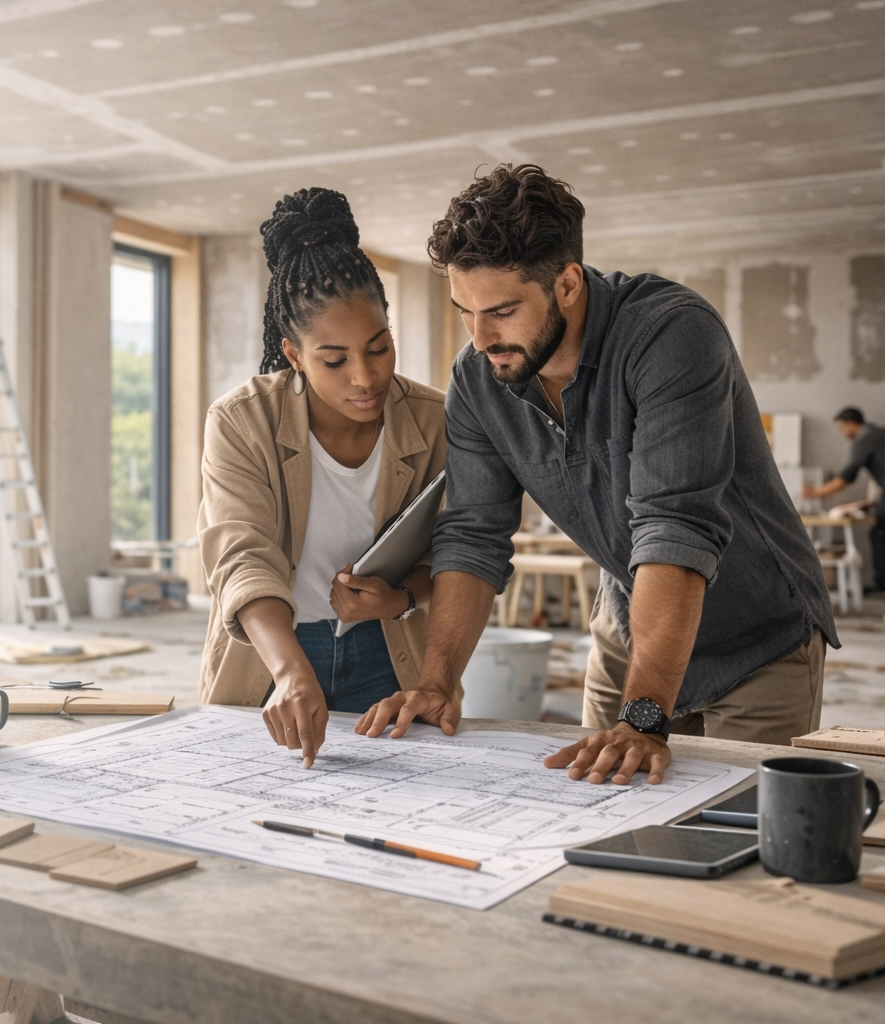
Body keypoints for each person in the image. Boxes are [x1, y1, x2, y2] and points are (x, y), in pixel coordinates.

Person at [356, 164, 838, 786]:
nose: (480, 339)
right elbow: (473, 534)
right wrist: (435, 683)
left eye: (501, 311)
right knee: (600, 810)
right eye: (465, 312)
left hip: (755, 641)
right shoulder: (478, 380)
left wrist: (642, 718)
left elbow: (674, 528)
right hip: (628, 631)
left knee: (738, 827)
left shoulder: (671, 335)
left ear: (567, 283)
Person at [198, 187, 447, 768]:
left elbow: (460, 549)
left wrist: (401, 597)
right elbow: (239, 556)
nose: (365, 377)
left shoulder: (435, 421)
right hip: (270, 651)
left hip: (390, 648)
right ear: (293, 354)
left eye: (379, 349)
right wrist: (290, 670)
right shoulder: (241, 421)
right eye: (334, 360)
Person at [803, 407, 885, 596]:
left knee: (877, 535)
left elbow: (847, 477)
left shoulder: (864, 440)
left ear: (851, 424)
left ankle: (880, 584)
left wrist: (817, 493)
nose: (843, 433)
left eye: (842, 428)